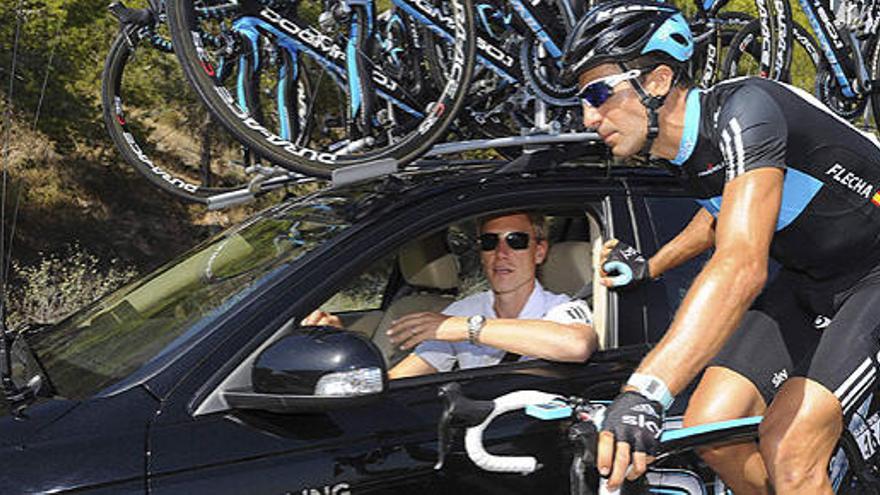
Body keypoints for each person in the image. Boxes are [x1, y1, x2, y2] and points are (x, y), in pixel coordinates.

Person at [559, 1, 880, 493]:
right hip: (810, 279)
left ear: (659, 80)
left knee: (790, 448)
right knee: (711, 428)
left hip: (873, 273)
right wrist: (650, 266)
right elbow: (718, 216)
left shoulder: (747, 110)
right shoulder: (681, 152)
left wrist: (645, 392)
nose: (588, 117)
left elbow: (740, 266)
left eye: (599, 93)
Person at [303, 212, 598, 380]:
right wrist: (340, 349)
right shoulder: (466, 307)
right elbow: (397, 383)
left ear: (540, 251)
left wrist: (463, 328)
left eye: (517, 241)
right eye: (489, 242)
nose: (502, 253)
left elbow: (576, 344)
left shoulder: (560, 308)